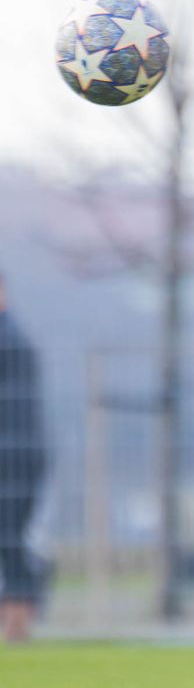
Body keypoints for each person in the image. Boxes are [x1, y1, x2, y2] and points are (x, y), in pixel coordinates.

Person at [0, 274, 49, 644]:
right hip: (18, 453)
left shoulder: (10, 339)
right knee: (11, 536)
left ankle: (18, 617)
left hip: (14, 456)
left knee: (10, 535)